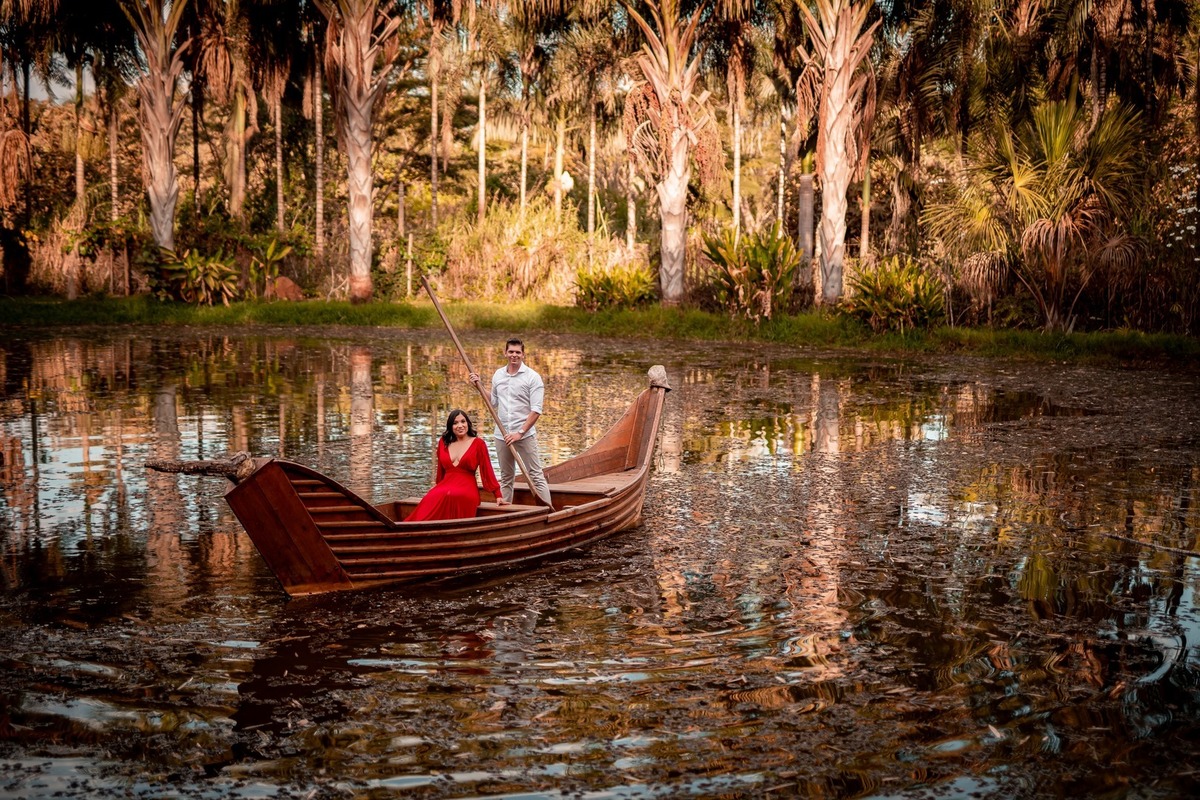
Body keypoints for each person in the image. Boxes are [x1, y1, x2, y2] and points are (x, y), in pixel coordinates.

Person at [469, 338, 550, 504]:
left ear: (523, 354)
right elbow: (493, 402)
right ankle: (507, 511)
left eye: (518, 352)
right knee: (506, 477)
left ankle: (548, 510)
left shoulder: (533, 377)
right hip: (502, 434)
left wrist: (520, 433)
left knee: (535, 475)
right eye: (511, 352)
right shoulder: (498, 374)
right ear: (505, 353)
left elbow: (536, 410)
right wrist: (479, 386)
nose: (514, 355)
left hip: (524, 435)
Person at [407, 409, 507, 521]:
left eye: (463, 421)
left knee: (455, 495)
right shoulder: (443, 442)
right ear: (450, 426)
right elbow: (440, 471)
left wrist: (498, 495)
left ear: (468, 423)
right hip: (446, 486)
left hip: (467, 488)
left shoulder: (478, 444)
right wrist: (436, 488)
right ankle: (414, 528)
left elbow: (488, 471)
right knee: (431, 497)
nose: (460, 426)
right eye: (455, 423)